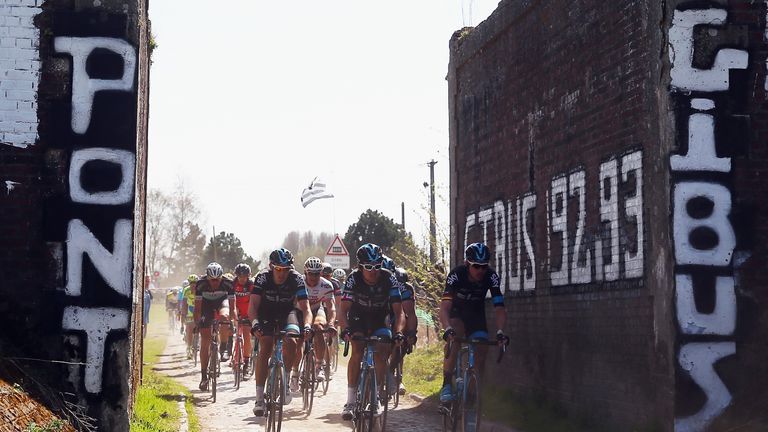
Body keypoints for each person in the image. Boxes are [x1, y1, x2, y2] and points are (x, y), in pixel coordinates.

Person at [338, 243, 404, 420]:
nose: (373, 271)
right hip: (358, 317)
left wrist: (398, 332)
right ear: (360, 267)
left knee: (381, 351)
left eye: (377, 266)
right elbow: (343, 310)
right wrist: (345, 329)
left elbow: (399, 312)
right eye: (368, 267)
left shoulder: (389, 278)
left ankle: (375, 394)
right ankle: (351, 401)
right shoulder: (353, 279)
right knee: (357, 350)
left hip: (379, 318)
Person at [439, 242, 508, 403]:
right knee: (455, 336)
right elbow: (444, 308)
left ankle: (472, 392)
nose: (480, 271)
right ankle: (447, 384)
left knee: (482, 348)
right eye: (476, 266)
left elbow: (500, 308)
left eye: (484, 267)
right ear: (467, 264)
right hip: (457, 313)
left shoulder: (491, 277)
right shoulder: (456, 275)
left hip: (476, 315)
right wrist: (447, 328)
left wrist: (500, 332)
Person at [249, 248, 313, 416]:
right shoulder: (262, 277)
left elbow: (306, 308)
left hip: (287, 313)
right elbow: (253, 306)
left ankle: (284, 379)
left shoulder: (297, 278)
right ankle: (259, 398)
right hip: (266, 313)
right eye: (278, 269)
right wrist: (255, 323)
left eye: (285, 269)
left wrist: (307, 325)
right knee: (266, 346)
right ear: (271, 266)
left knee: (292, 341)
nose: (282, 273)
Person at [193, 262, 235, 391]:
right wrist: (197, 323)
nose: (215, 283)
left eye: (218, 280)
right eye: (212, 280)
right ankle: (204, 376)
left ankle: (224, 348)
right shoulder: (201, 284)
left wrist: (230, 321)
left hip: (222, 303)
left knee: (224, 317)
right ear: (207, 278)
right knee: (205, 340)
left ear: (222, 277)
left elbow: (232, 307)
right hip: (206, 306)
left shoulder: (228, 283)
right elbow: (197, 308)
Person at [382, 256, 418, 396]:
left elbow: (409, 313)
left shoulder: (404, 287)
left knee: (400, 340)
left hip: (398, 313)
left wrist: (411, 333)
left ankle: (395, 374)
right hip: (380, 312)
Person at [304, 257, 337, 382]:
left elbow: (331, 307)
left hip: (318, 309)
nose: (313, 276)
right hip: (301, 310)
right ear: (305, 272)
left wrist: (331, 323)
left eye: (317, 273)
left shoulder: (326, 285)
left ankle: (319, 365)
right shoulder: (299, 282)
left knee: (318, 327)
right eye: (310, 273)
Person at [232, 263, 254, 376]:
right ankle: (234, 355)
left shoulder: (251, 285)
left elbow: (254, 301)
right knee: (235, 334)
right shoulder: (232, 284)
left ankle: (246, 362)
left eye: (244, 277)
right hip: (236, 310)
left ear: (248, 276)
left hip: (248, 313)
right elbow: (230, 300)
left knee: (246, 335)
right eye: (240, 277)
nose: (242, 279)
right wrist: (234, 314)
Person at [180, 274, 199, 359]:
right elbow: (184, 303)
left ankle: (198, 343)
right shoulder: (186, 290)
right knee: (189, 328)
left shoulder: (200, 289)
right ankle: (189, 347)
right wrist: (184, 314)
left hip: (198, 309)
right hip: (190, 309)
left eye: (195, 282)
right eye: (191, 283)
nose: (193, 284)